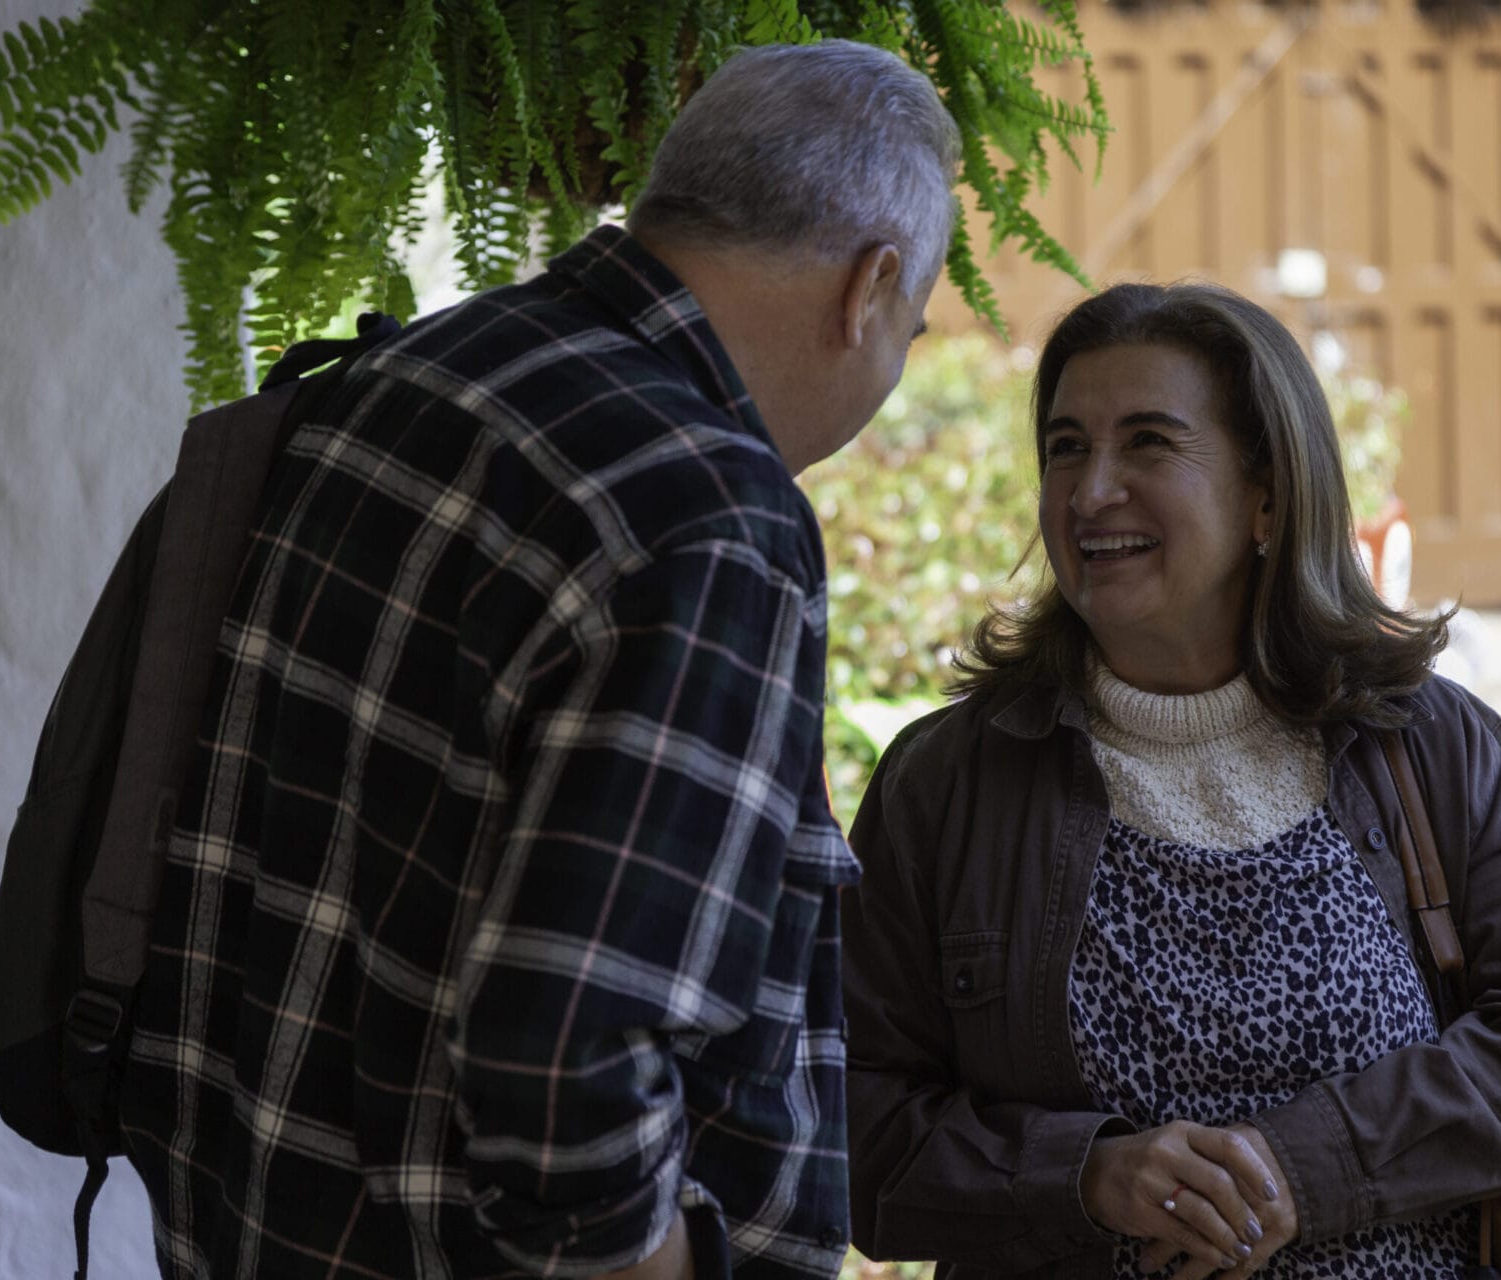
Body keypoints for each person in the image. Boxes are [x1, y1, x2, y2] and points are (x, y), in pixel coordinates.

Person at [116, 41, 957, 1280]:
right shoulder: (707, 516)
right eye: (915, 330)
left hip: (249, 1219)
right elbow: (568, 1054)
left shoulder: (406, 373)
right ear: (869, 287)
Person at [842, 282, 1501, 1279]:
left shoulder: (1425, 743)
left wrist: (1305, 1164)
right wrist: (1089, 1174)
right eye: (1066, 446)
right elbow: (847, 1117)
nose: (1091, 489)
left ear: (1268, 496)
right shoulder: (945, 784)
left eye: (1148, 443)